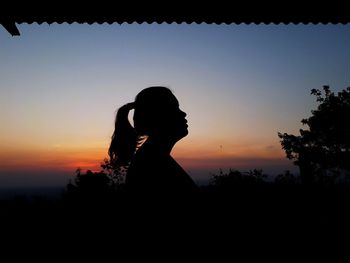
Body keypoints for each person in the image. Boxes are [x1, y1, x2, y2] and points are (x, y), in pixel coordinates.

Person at [108, 86, 198, 200]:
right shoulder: (152, 163)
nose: (183, 113)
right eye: (174, 108)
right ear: (158, 116)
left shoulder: (152, 157)